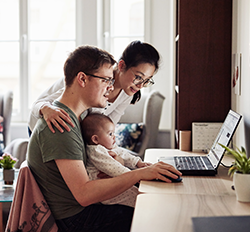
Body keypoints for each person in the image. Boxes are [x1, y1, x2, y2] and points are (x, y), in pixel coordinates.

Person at [27, 45, 182, 232]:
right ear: (83, 79)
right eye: (106, 80)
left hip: (79, 205)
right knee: (151, 216)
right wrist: (137, 174)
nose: (110, 88)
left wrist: (126, 163)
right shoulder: (62, 122)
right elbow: (83, 194)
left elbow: (107, 136)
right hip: (75, 216)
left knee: (151, 206)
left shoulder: (81, 117)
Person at [28, 40, 160, 135]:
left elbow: (108, 127)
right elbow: (37, 104)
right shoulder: (92, 78)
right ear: (121, 66)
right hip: (41, 123)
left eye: (147, 80)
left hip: (70, 129)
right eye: (138, 77)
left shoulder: (127, 92)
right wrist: (46, 109)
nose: (140, 85)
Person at [81, 112, 151, 208]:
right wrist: (137, 176)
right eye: (110, 134)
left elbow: (123, 154)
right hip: (105, 191)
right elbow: (113, 168)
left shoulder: (108, 146)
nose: (114, 136)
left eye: (114, 133)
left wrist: (138, 163)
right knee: (137, 198)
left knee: (140, 193)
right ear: (95, 139)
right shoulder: (96, 151)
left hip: (115, 181)